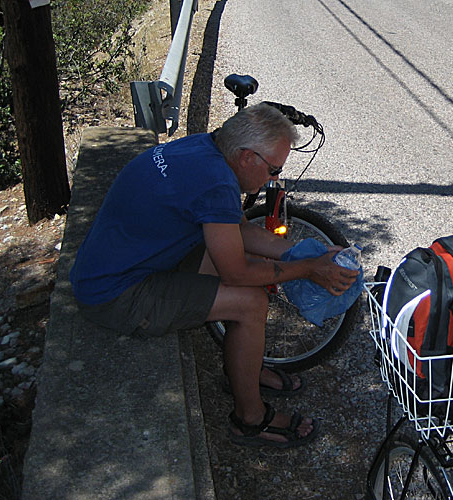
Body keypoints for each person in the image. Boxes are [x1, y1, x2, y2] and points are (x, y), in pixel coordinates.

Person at [70, 103, 359, 447]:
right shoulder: (217, 183)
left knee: (249, 266)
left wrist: (304, 253)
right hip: (117, 294)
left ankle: (244, 371)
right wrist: (308, 269)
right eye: (274, 169)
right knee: (250, 302)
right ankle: (249, 420)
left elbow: (240, 233)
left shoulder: (204, 148)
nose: (274, 179)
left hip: (121, 263)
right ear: (247, 157)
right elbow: (236, 273)